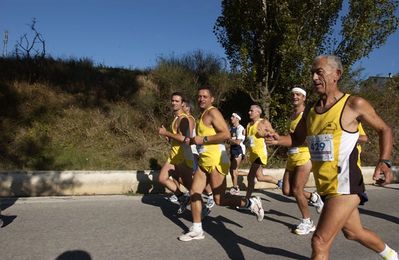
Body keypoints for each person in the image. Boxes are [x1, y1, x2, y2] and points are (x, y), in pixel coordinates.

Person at [258, 55, 397, 259]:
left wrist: (384, 162)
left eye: (319, 72)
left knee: (319, 242)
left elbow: (384, 129)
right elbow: (297, 138)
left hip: (346, 183)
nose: (314, 77)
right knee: (353, 233)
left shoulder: (353, 104)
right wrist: (278, 139)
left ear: (336, 75)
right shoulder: (311, 112)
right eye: (312, 73)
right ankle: (392, 255)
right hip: (325, 185)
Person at [178, 86, 264, 242]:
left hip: (217, 160)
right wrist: (192, 140)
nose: (201, 99)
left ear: (212, 99)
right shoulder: (202, 115)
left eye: (205, 96)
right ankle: (197, 229)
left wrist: (202, 140)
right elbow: (203, 138)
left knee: (220, 200)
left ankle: (251, 202)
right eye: (199, 96)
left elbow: (225, 134)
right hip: (205, 160)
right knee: (194, 192)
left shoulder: (213, 112)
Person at [281, 86, 324, 236]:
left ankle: (307, 222)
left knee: (297, 190)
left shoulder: (308, 114)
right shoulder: (292, 115)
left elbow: (314, 132)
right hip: (292, 155)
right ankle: (313, 197)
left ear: (304, 98)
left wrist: (304, 140)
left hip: (305, 155)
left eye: (298, 94)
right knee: (286, 190)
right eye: (293, 94)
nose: (295, 97)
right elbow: (291, 137)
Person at [158, 92, 194, 215]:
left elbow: (185, 139)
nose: (174, 103)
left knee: (191, 187)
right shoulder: (176, 118)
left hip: (182, 156)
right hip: (174, 155)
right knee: (162, 178)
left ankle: (203, 206)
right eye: (172, 100)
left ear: (182, 103)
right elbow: (177, 137)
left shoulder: (184, 119)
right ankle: (183, 198)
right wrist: (169, 137)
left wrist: (166, 133)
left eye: (177, 101)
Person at [182, 100, 215, 211]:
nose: (181, 108)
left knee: (196, 175)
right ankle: (190, 195)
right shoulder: (183, 118)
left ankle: (210, 196)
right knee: (188, 175)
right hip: (186, 151)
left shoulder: (190, 119)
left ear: (188, 108)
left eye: (183, 106)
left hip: (192, 150)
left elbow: (189, 136)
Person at [245, 104, 282, 199]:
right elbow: (249, 139)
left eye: (251, 111)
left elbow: (273, 133)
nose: (249, 112)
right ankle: (279, 182)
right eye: (249, 110)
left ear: (258, 112)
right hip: (253, 154)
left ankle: (247, 200)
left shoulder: (263, 122)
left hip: (260, 154)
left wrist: (265, 134)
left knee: (250, 176)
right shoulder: (249, 125)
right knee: (260, 177)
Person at [228, 112, 246, 195]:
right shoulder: (231, 128)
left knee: (234, 169)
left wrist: (230, 140)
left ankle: (235, 188)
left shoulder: (240, 128)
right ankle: (252, 175)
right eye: (231, 116)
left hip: (239, 150)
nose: (231, 118)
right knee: (232, 170)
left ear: (237, 118)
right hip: (233, 150)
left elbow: (238, 142)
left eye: (233, 116)